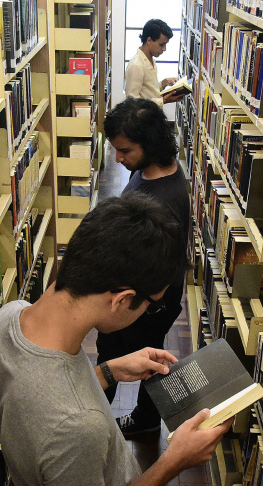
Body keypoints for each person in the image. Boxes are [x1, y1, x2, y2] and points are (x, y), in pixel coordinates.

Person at [0, 193, 231, 486]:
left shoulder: (9, 318)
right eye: (152, 304)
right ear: (121, 298)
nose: (151, 311)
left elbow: (38, 402)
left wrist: (109, 372)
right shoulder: (80, 429)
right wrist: (172, 462)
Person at [99, 97, 191, 436]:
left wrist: (125, 305)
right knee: (140, 355)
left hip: (145, 303)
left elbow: (159, 273)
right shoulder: (154, 168)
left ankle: (102, 425)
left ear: (148, 145)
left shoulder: (162, 202)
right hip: (142, 298)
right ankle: (144, 418)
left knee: (126, 358)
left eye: (125, 151)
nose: (118, 158)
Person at [125, 19, 189, 106]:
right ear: (149, 41)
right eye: (161, 44)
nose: (164, 49)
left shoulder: (150, 60)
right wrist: (163, 101)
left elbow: (148, 91)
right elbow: (132, 103)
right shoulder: (136, 66)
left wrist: (164, 83)